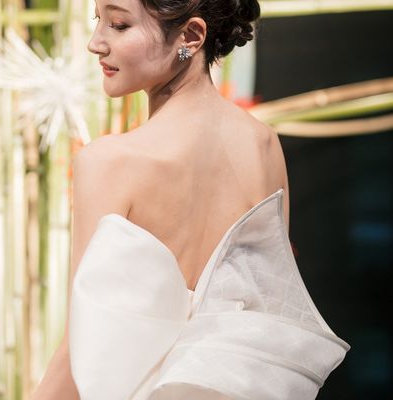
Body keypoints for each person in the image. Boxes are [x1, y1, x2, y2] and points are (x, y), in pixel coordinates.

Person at [31, 0, 349, 399]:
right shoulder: (264, 145)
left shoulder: (108, 163)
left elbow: (78, 355)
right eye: (99, 21)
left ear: (191, 36)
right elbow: (270, 314)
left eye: (119, 24)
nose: (96, 43)